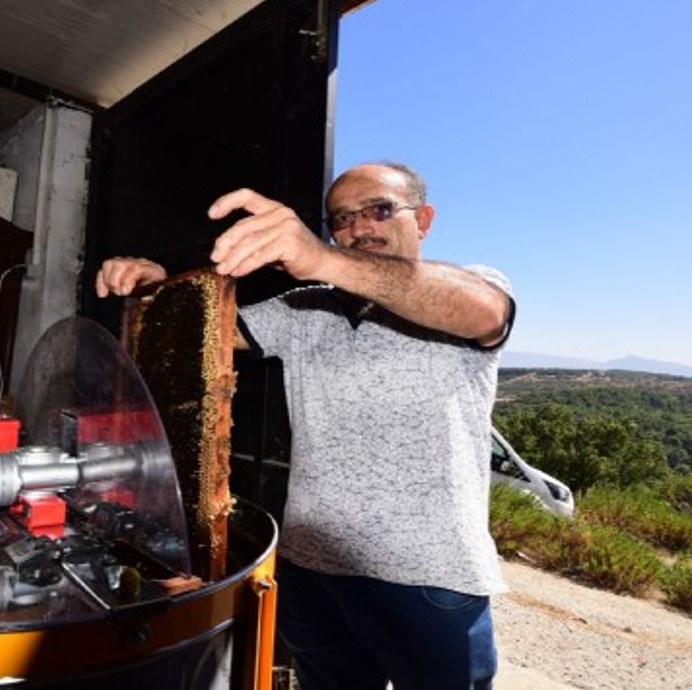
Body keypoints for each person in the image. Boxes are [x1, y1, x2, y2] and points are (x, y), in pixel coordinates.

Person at [95, 162, 515, 690]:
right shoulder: (302, 309)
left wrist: (320, 258)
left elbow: (484, 312)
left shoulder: (470, 287)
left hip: (430, 580)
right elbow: (201, 332)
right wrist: (158, 288)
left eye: (379, 210)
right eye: (341, 219)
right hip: (311, 570)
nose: (359, 227)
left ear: (423, 219)